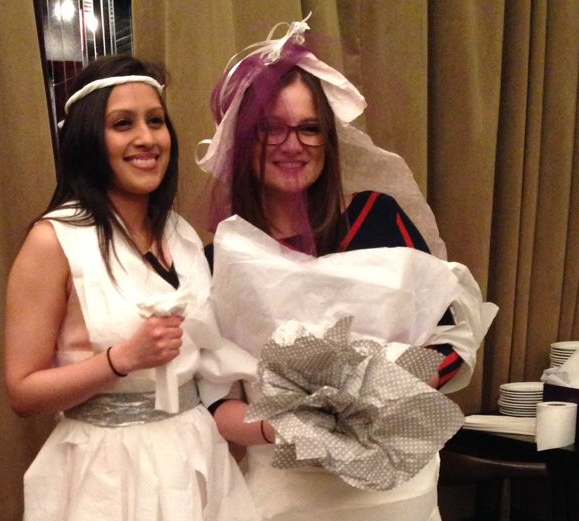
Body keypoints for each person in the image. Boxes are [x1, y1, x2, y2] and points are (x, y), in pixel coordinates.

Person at [198, 17, 494, 521]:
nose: (293, 145)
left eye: (310, 128)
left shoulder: (378, 218)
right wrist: (286, 429)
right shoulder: (220, 260)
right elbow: (211, 402)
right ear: (244, 139)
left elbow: (451, 339)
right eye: (272, 128)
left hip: (394, 487)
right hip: (285, 497)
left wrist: (381, 392)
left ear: (330, 138)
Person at [4, 55, 261, 521]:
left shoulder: (181, 235)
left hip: (196, 460)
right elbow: (23, 392)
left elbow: (206, 360)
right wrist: (121, 359)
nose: (146, 138)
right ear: (88, 140)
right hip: (106, 478)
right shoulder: (54, 240)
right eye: (123, 124)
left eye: (156, 121)